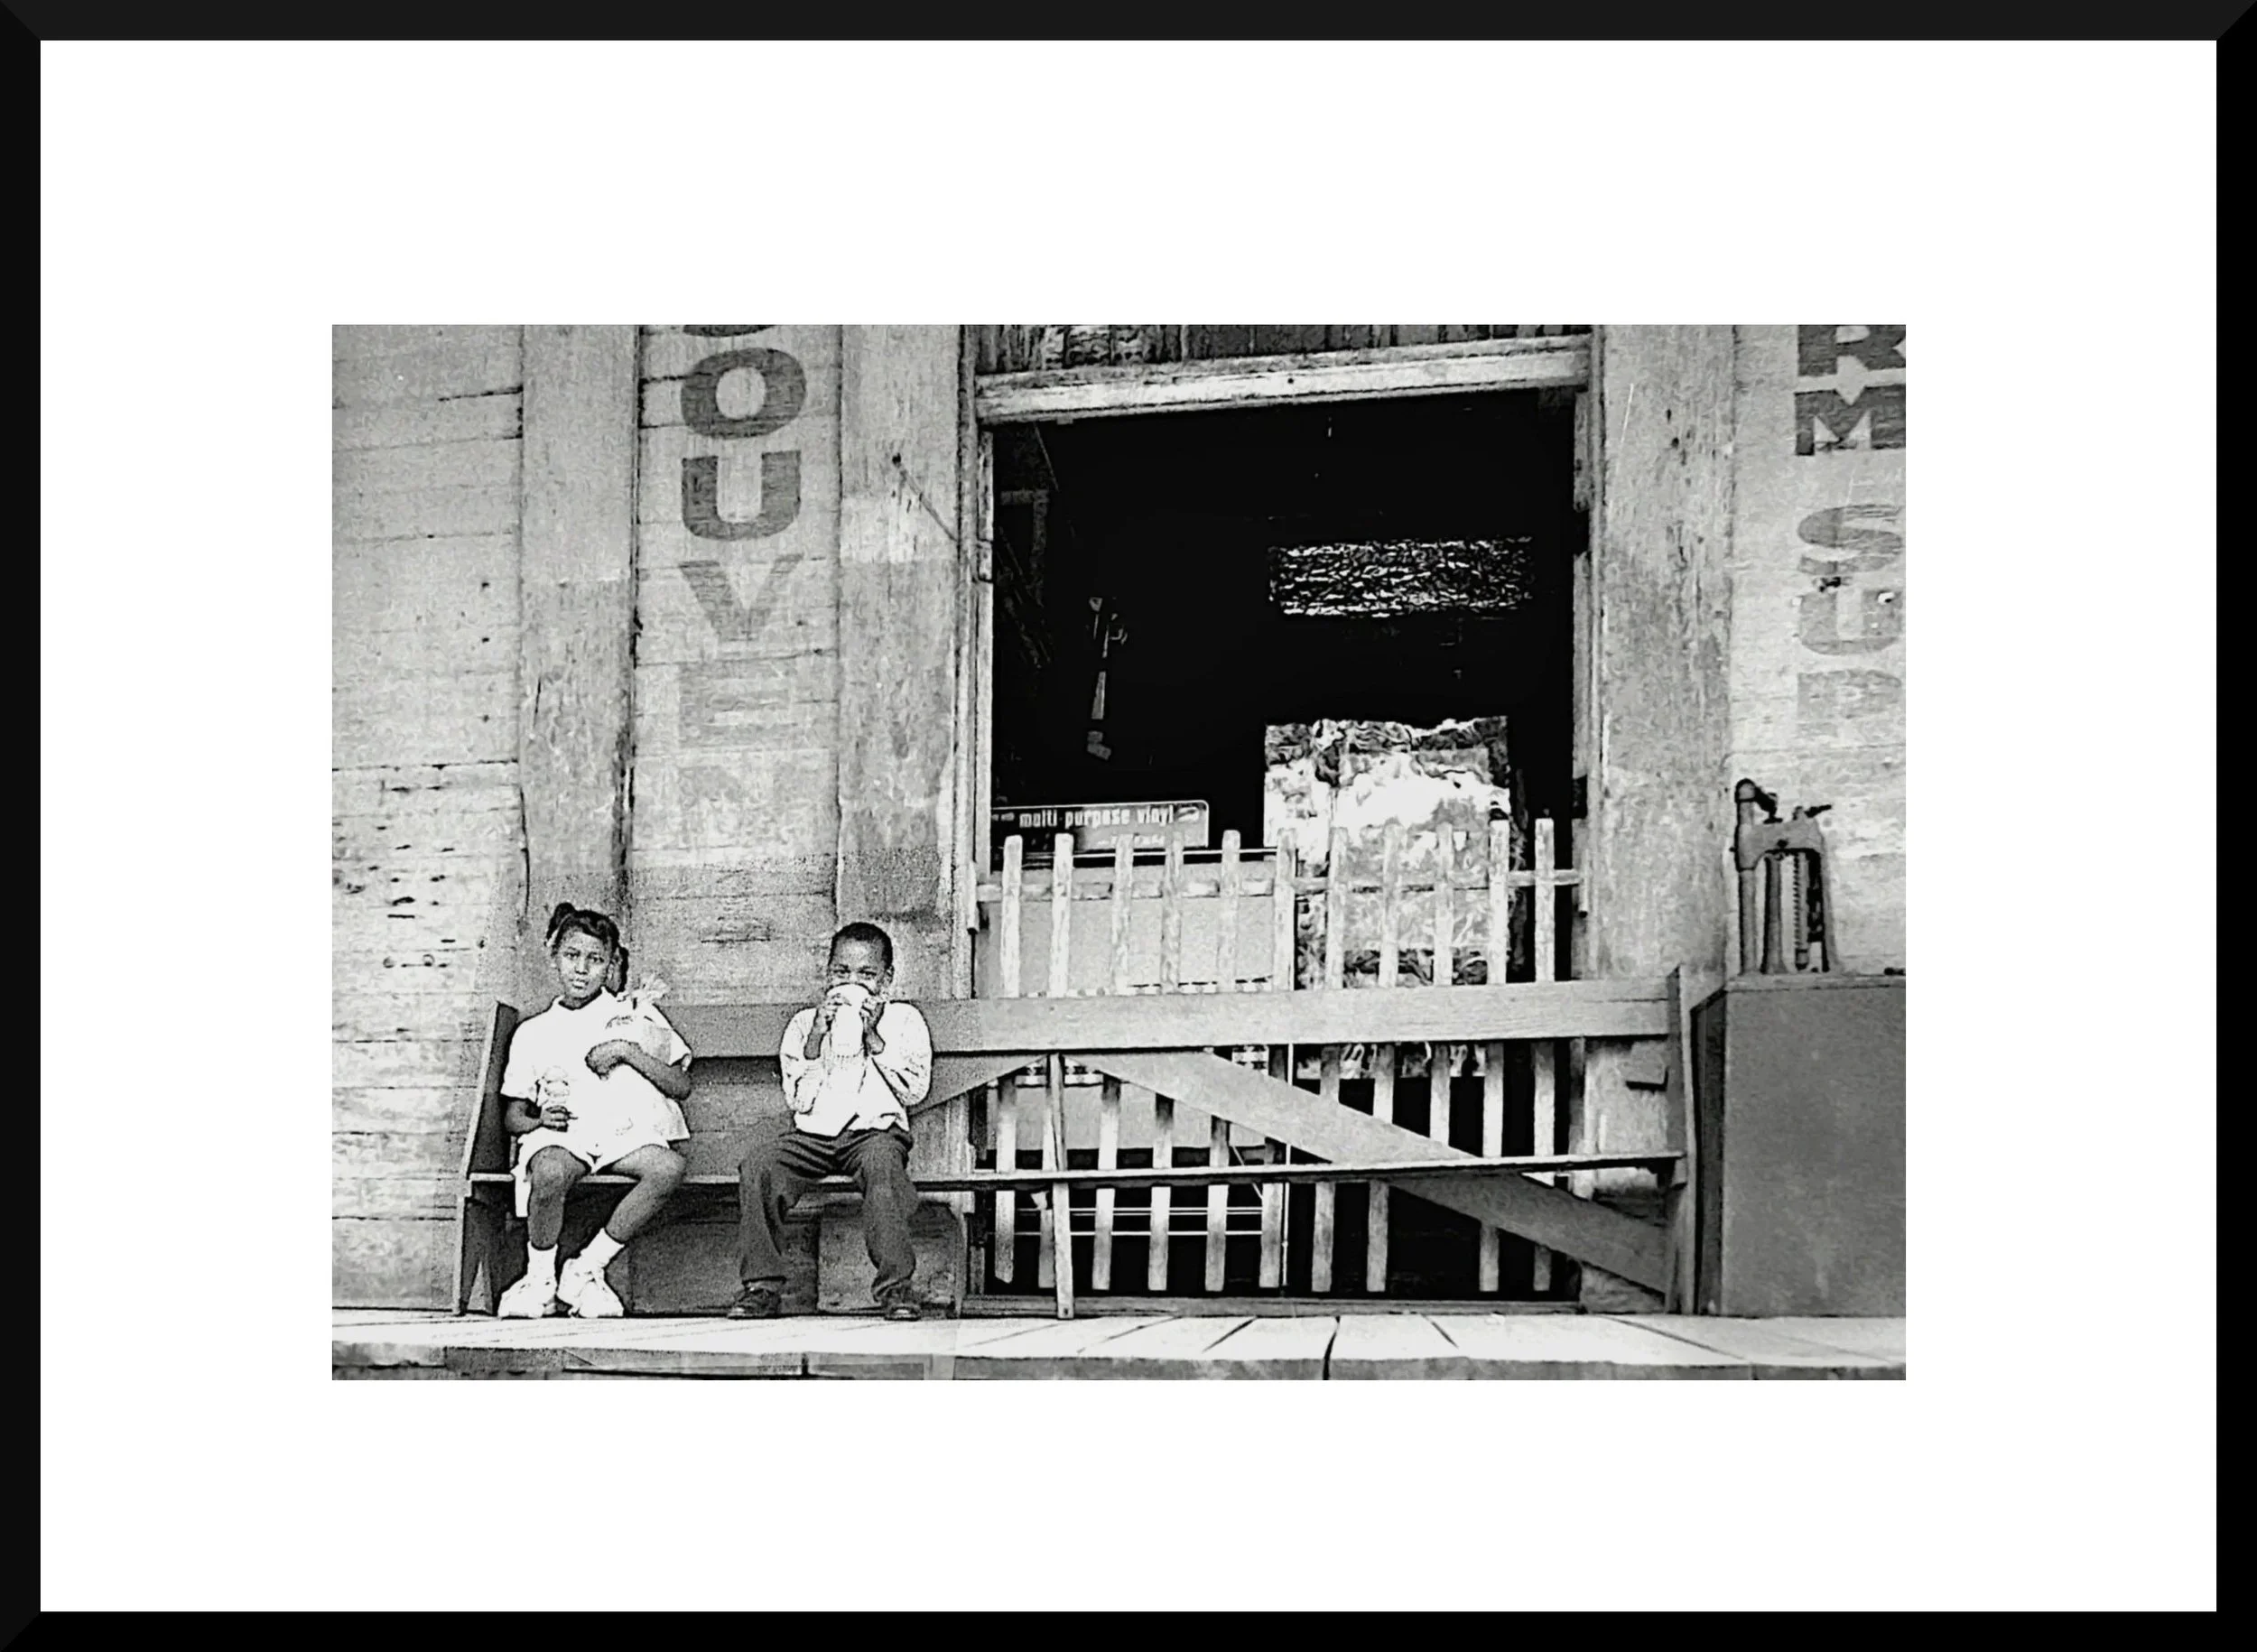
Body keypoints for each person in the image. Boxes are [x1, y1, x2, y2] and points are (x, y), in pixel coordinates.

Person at [495, 904, 692, 1319]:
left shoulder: (633, 1014)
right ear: (555, 957)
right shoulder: (533, 1032)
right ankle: (541, 1279)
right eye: (572, 956)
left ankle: (585, 1268)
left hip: (622, 1133)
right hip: (566, 1137)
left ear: (610, 964)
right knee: (548, 1171)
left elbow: (681, 1085)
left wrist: (626, 1050)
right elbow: (513, 1115)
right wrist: (537, 1121)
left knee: (668, 1168)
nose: (582, 970)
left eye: (595, 959)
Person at [730, 922, 932, 1321]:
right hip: (815, 1137)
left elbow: (913, 1091)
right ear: (827, 973)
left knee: (883, 1169)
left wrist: (873, 1038)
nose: (852, 982)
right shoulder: (805, 1023)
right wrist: (815, 1043)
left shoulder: (905, 1020)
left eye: (866, 975)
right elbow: (798, 1100)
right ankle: (761, 1287)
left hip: (874, 1132)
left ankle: (896, 1287)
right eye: (842, 972)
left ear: (886, 980)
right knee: (759, 1165)